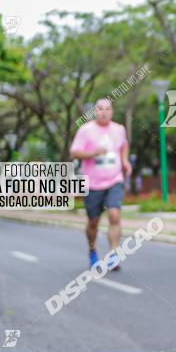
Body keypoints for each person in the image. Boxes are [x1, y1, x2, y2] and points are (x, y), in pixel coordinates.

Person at [70, 99, 132, 270]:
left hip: (114, 180)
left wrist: (125, 161)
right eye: (100, 109)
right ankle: (92, 250)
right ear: (94, 111)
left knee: (114, 215)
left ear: (112, 111)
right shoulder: (85, 130)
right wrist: (93, 153)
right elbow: (74, 152)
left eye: (107, 109)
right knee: (93, 222)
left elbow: (123, 146)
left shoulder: (119, 129)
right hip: (92, 184)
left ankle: (113, 255)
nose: (104, 112)